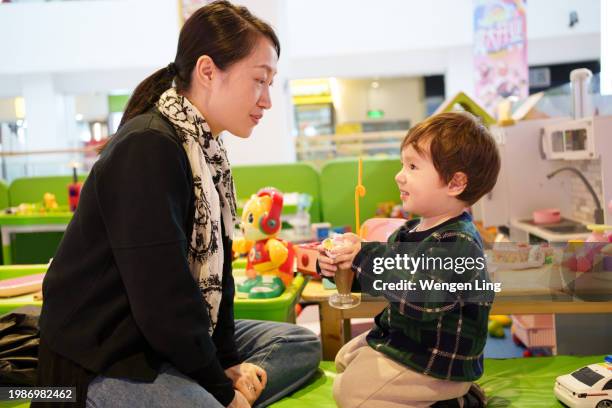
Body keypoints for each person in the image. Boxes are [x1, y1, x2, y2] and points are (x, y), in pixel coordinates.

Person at [33, 2, 320, 407]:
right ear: (207, 71)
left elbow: (218, 278)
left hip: (169, 340)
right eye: (259, 80)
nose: (267, 100)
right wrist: (221, 386)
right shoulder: (148, 146)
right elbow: (161, 301)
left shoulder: (207, 153)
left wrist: (227, 362)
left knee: (297, 342)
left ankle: (218, 388)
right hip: (107, 357)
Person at [318, 112, 501, 408]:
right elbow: (383, 280)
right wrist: (339, 266)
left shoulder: (459, 241)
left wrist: (364, 256)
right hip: (407, 340)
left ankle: (454, 398)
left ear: (455, 183)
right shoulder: (411, 230)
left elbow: (420, 298)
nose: (399, 175)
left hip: (438, 359)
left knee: (349, 393)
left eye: (413, 166)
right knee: (344, 359)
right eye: (403, 164)